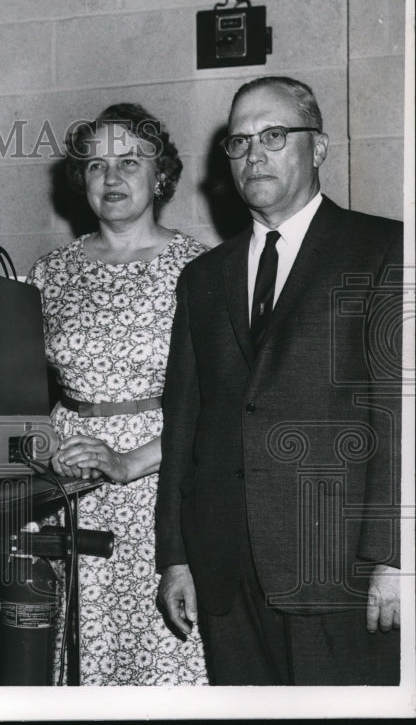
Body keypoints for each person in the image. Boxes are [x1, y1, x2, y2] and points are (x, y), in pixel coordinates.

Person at [155, 76, 402, 685]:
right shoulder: (203, 278)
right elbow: (182, 425)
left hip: (338, 569)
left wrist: (395, 560)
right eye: (238, 143)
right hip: (225, 573)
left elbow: (399, 418)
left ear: (317, 147)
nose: (253, 154)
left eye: (273, 135)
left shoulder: (384, 249)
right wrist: (177, 557)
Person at [27, 103, 208, 685]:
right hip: (68, 484)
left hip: (164, 482)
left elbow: (218, 401)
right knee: (82, 653)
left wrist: (130, 461)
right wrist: (42, 448)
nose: (111, 177)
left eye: (129, 161)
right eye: (96, 164)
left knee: (164, 657)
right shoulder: (49, 273)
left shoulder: (200, 270)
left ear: (161, 175)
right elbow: (19, 392)